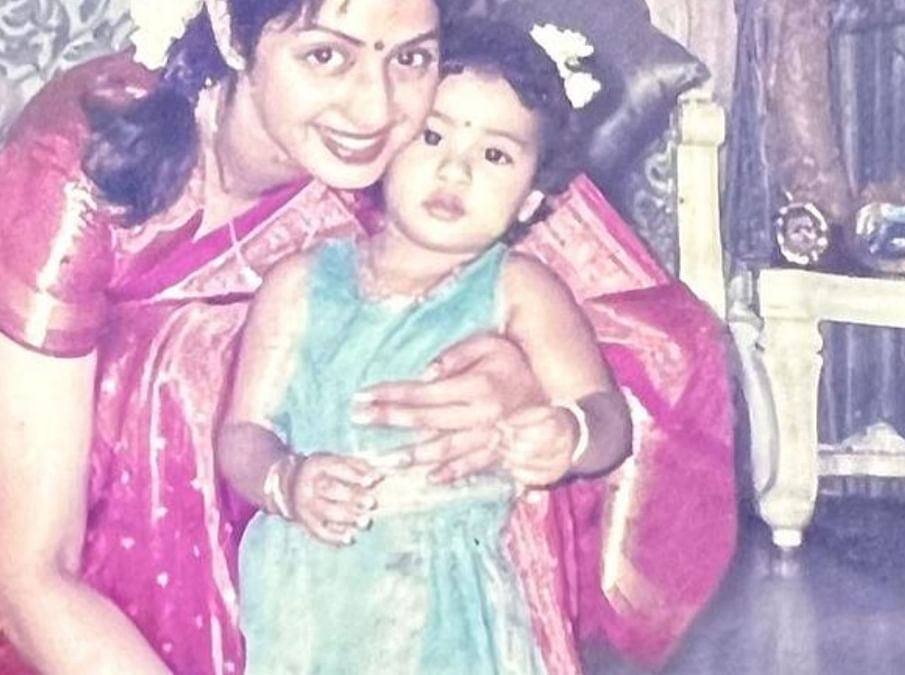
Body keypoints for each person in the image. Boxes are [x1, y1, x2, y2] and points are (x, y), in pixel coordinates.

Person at [0, 0, 736, 673]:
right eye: (324, 55)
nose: (375, 107)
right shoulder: (83, 164)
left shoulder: (416, 149)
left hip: (302, 506)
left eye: (409, 57)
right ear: (229, 32)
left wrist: (526, 386)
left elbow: (655, 339)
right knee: (187, 366)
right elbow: (32, 575)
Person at [219, 18, 630, 673]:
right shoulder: (298, 284)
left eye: (495, 155)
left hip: (454, 594)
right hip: (312, 592)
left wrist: (570, 432)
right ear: (391, 142)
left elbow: (610, 419)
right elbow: (242, 433)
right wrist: (286, 479)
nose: (454, 170)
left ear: (532, 198)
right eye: (433, 135)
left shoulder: (520, 290)